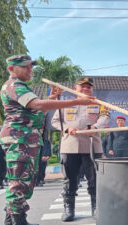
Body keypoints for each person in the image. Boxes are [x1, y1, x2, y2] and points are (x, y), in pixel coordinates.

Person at [0, 55, 95, 225]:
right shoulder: (15, 85)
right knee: (19, 182)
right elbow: (38, 105)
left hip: (26, 139)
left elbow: (35, 112)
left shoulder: (21, 87)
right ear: (12, 69)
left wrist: (51, 99)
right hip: (19, 139)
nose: (31, 70)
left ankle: (10, 221)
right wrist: (77, 101)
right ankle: (18, 222)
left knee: (23, 181)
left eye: (31, 67)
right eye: (26, 67)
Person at [51, 77, 110, 222]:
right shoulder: (65, 103)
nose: (85, 89)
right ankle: (69, 209)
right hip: (69, 146)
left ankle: (96, 207)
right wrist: (67, 128)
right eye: (82, 86)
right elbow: (55, 121)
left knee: (95, 179)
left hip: (92, 145)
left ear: (92, 89)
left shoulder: (99, 103)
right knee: (70, 179)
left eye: (89, 87)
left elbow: (105, 117)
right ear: (75, 88)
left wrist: (95, 127)